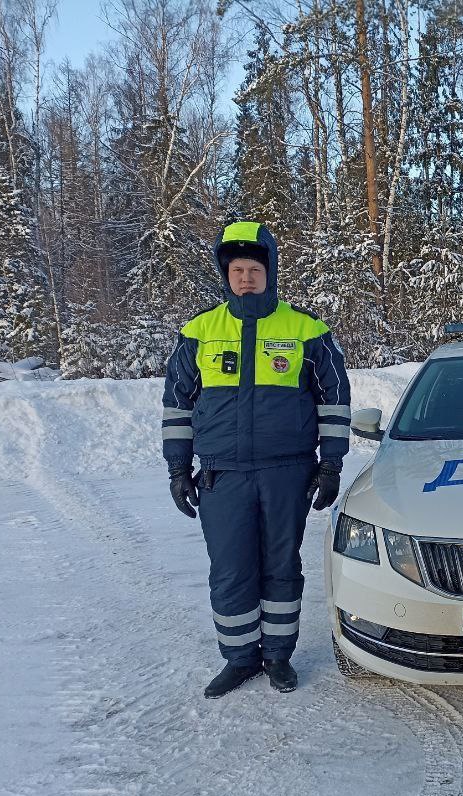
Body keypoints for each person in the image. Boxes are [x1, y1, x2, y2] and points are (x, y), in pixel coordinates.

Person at [162, 221, 351, 697]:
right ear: (225, 274)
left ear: (271, 270)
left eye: (254, 268)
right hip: (223, 476)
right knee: (230, 569)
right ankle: (240, 658)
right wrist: (177, 469)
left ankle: (278, 657)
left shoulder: (307, 330)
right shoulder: (199, 332)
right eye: (236, 269)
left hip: (286, 472)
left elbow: (333, 401)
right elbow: (177, 405)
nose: (245, 277)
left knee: (281, 567)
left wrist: (331, 465)